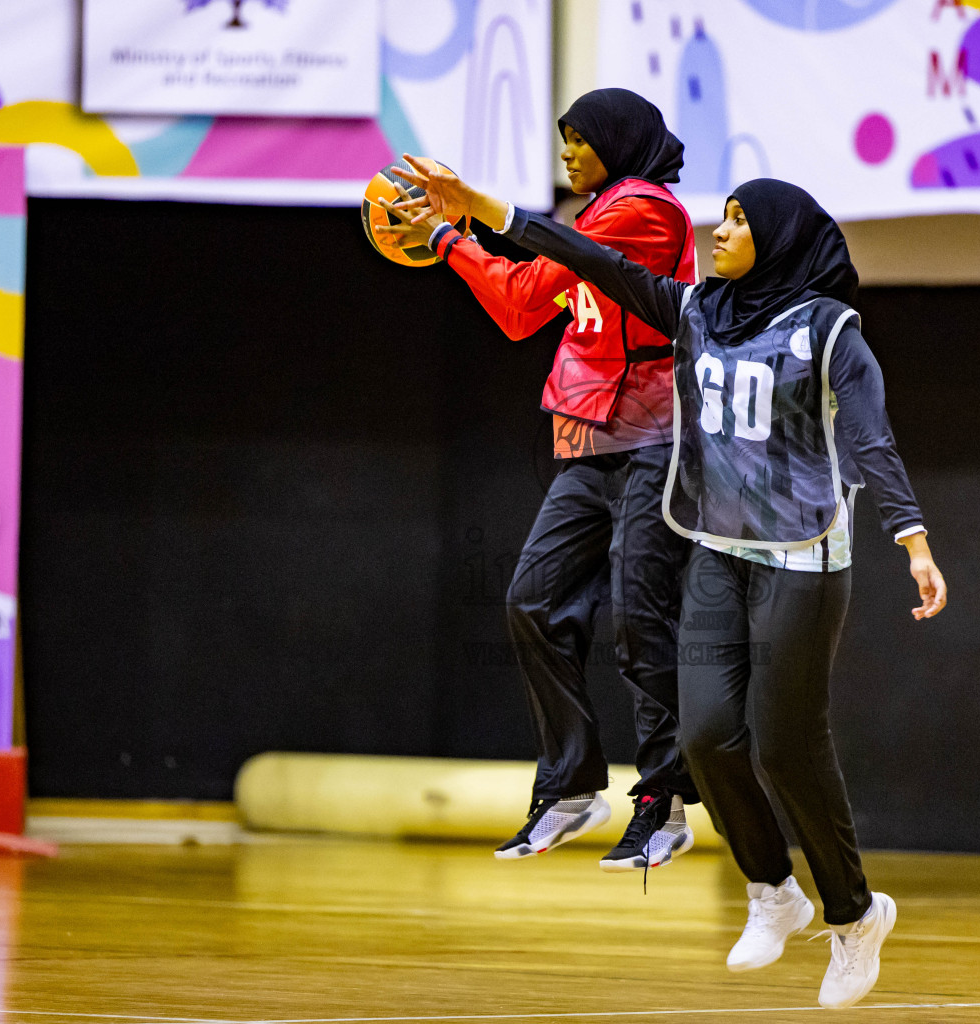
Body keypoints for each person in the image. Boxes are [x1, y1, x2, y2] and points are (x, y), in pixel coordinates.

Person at [389, 163, 948, 1009]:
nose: (716, 232)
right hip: (719, 550)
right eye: (717, 217)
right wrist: (485, 215)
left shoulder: (831, 330)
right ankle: (773, 892)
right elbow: (589, 257)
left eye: (735, 222)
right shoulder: (695, 312)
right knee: (704, 737)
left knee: (786, 746)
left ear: (778, 240)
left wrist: (912, 541)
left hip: (802, 558)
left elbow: (871, 440)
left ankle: (855, 914)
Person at [372, 89, 701, 872]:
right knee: (530, 601)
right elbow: (521, 305)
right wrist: (450, 240)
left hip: (660, 439)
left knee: (639, 624)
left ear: (617, 144)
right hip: (591, 442)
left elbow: (565, 252)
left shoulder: (644, 211)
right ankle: (572, 785)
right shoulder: (590, 217)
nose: (567, 152)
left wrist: (476, 209)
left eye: (579, 140)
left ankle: (664, 805)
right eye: (563, 139)